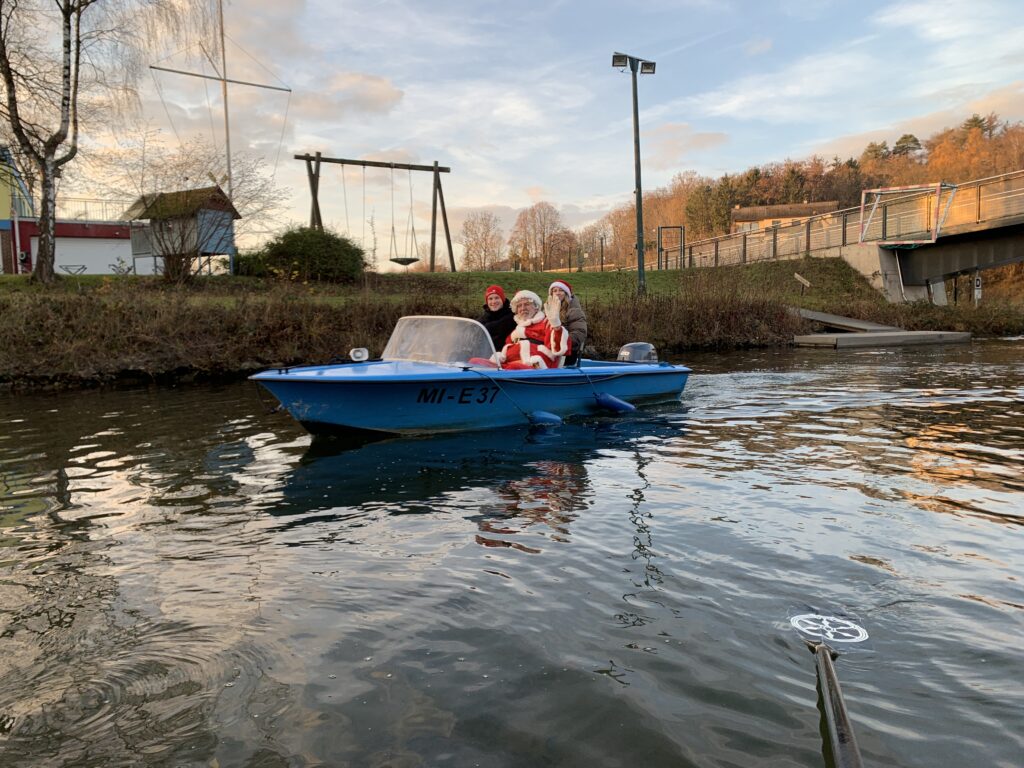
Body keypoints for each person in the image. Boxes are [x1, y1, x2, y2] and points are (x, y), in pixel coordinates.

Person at [492, 290, 571, 369]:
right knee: (483, 364)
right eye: (519, 306)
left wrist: (556, 326)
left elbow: (560, 347)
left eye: (527, 304)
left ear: (536, 307)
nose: (522, 308)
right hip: (510, 366)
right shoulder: (516, 332)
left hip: (536, 368)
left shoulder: (546, 324)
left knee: (513, 367)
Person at [548, 279, 588, 365]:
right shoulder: (547, 311)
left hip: (566, 354)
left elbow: (579, 333)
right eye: (555, 291)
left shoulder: (574, 311)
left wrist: (560, 342)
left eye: (561, 290)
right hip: (548, 350)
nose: (558, 293)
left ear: (567, 293)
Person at [477, 284, 516, 352]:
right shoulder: (483, 318)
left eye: (497, 298)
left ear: (502, 299)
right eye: (490, 299)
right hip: (483, 355)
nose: (493, 302)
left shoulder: (512, 317)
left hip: (502, 356)